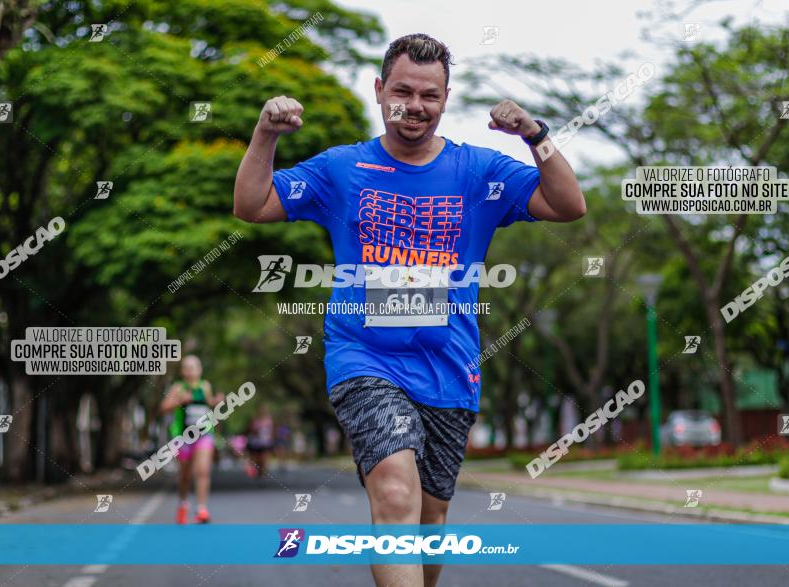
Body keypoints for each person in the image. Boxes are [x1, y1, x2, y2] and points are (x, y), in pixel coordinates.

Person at [233, 33, 585, 587]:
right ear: (379, 91)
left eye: (429, 95)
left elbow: (569, 204)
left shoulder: (480, 172)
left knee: (431, 517)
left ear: (446, 99)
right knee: (396, 495)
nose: (415, 106)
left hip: (450, 366)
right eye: (402, 91)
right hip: (363, 356)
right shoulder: (341, 168)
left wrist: (534, 134)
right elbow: (252, 204)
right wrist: (264, 135)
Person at [160, 355, 223, 524]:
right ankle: (183, 503)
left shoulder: (205, 386)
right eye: (186, 367)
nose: (190, 370)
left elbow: (209, 404)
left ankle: (202, 508)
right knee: (185, 475)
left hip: (204, 434)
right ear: (182, 371)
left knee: (202, 471)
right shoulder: (178, 388)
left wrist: (217, 402)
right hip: (183, 437)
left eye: (193, 367)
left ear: (200, 370)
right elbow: (163, 408)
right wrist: (179, 400)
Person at [245, 404, 275, 478]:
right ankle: (258, 472)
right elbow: (249, 429)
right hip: (255, 443)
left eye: (264, 410)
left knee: (264, 459)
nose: (262, 411)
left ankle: (262, 473)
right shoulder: (254, 419)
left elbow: (272, 430)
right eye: (261, 409)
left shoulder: (269, 419)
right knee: (256, 459)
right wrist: (254, 431)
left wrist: (271, 437)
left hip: (265, 443)